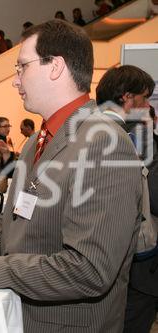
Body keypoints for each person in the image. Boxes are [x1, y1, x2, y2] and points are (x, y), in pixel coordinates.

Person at [0, 20, 142, 332]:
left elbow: (88, 269)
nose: (15, 80)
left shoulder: (104, 143)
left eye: (22, 66)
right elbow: (12, 224)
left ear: (55, 67)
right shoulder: (38, 142)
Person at [96, 65, 158, 333]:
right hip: (122, 262)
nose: (147, 106)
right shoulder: (113, 139)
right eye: (144, 98)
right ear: (126, 97)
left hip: (126, 266)